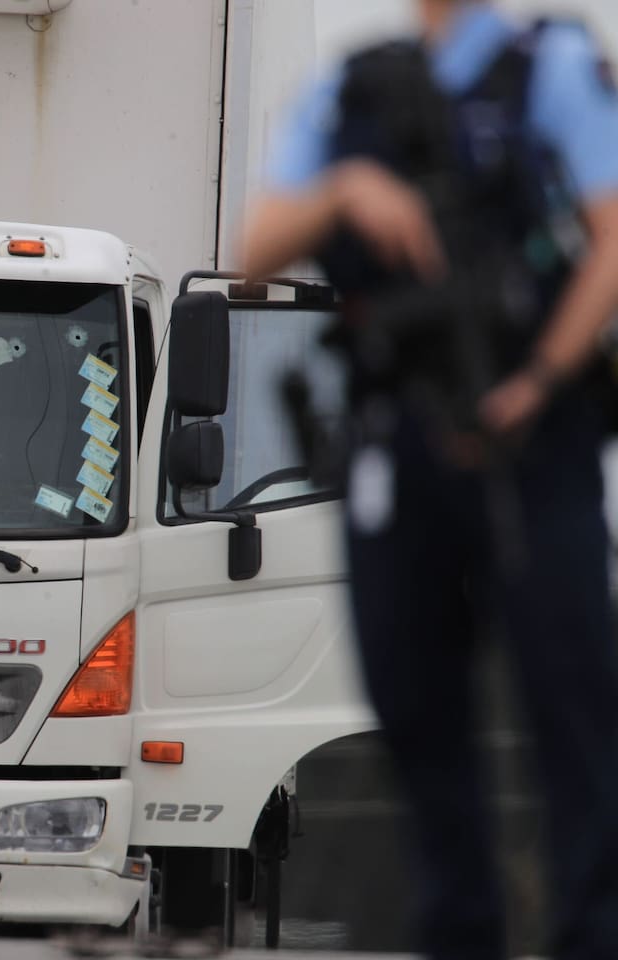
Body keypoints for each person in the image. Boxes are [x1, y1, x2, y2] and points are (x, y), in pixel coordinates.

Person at [241, 2, 618, 958]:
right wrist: (345, 191)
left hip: (533, 437)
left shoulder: (553, 68)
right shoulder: (350, 86)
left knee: (570, 716)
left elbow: (613, 236)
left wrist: (538, 381)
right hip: (401, 441)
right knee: (414, 711)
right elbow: (255, 251)